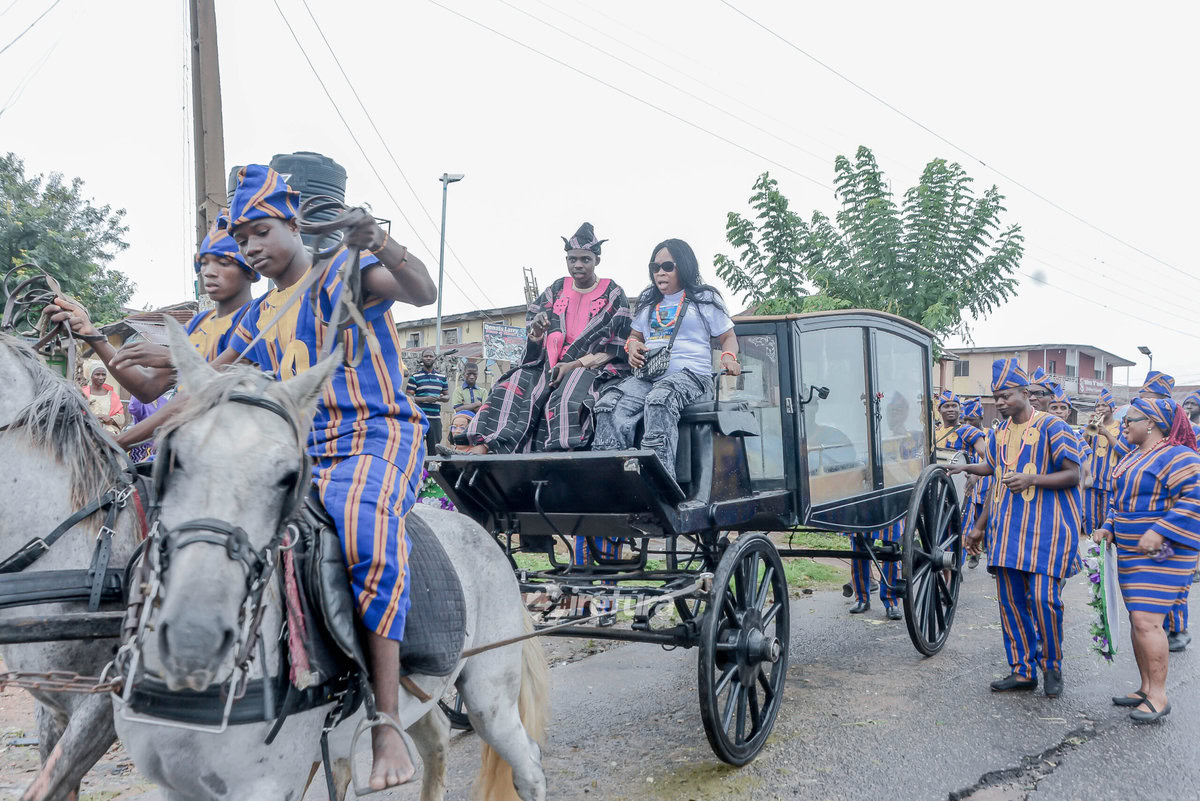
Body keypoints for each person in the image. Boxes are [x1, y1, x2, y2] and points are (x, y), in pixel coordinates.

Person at [50, 165, 437, 789]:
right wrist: (118, 444)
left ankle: (387, 722)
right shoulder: (261, 315)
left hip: (375, 436)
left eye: (261, 231)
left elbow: (422, 291)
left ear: (292, 224)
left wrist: (379, 239)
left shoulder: (344, 270)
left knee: (362, 530)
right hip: (296, 451)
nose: (251, 246)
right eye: (242, 235)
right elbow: (193, 393)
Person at [46, 211, 259, 448]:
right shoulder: (197, 326)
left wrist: (119, 441)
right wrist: (92, 334)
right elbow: (148, 387)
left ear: (250, 269)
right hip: (177, 452)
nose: (209, 271)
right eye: (204, 262)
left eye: (223, 262)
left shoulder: (257, 319)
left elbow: (203, 391)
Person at [951, 358, 1083, 698]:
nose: (1000, 402)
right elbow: (994, 474)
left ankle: (1051, 665)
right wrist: (979, 527)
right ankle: (1023, 671)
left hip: (1048, 532)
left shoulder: (1055, 428)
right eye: (997, 397)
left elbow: (1073, 474)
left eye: (1006, 395)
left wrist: (1032, 479)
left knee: (1043, 600)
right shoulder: (999, 434)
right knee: (1011, 603)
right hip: (1008, 533)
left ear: (1025, 393)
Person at [468, 223, 630, 454]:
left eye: (585, 259)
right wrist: (538, 332)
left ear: (597, 261)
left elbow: (617, 347)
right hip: (546, 365)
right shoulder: (556, 289)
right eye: (572, 259)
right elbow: (534, 338)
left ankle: (561, 454)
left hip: (589, 366)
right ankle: (485, 447)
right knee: (511, 386)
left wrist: (574, 364)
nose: (578, 265)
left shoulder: (613, 292)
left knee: (567, 397)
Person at [593, 238, 739, 482]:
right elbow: (635, 336)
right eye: (655, 267)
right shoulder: (649, 298)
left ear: (683, 266)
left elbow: (728, 336)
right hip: (650, 376)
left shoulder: (704, 298)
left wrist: (728, 358)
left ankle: (660, 482)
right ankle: (614, 481)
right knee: (608, 404)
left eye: (667, 266)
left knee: (660, 399)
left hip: (692, 376)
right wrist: (633, 347)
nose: (660, 272)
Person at [1093, 397, 1200, 723]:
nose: (1123, 424)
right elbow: (1122, 502)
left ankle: (1158, 696)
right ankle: (1145, 688)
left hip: (1163, 553)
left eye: (1130, 420)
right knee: (1139, 620)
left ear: (1152, 422)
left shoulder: (1178, 455)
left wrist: (1161, 530)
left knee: (1147, 622)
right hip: (1129, 552)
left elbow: (1195, 497)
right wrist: (1109, 527)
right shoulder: (1135, 457)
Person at [961, 398, 990, 568]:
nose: (968, 423)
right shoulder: (963, 434)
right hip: (968, 485)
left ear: (980, 418)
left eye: (971, 419)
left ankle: (992, 557)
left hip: (986, 484)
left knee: (988, 521)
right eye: (965, 420)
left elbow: (990, 458)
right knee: (973, 520)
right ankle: (974, 555)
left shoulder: (990, 434)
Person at [406, 349, 449, 451]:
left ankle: (430, 467)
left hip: (435, 419)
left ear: (435, 358)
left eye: (430, 356)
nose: (428, 358)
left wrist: (442, 398)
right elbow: (408, 398)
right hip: (419, 418)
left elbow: (447, 397)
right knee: (416, 448)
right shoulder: (415, 377)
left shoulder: (442, 377)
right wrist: (426, 399)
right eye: (426, 356)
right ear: (422, 359)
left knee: (434, 450)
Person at [81, 362, 125, 437]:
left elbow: (121, 418)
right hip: (86, 432)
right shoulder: (82, 393)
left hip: (108, 434)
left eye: (103, 374)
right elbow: (73, 412)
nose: (101, 378)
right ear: (90, 376)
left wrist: (110, 419)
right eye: (97, 374)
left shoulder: (112, 395)